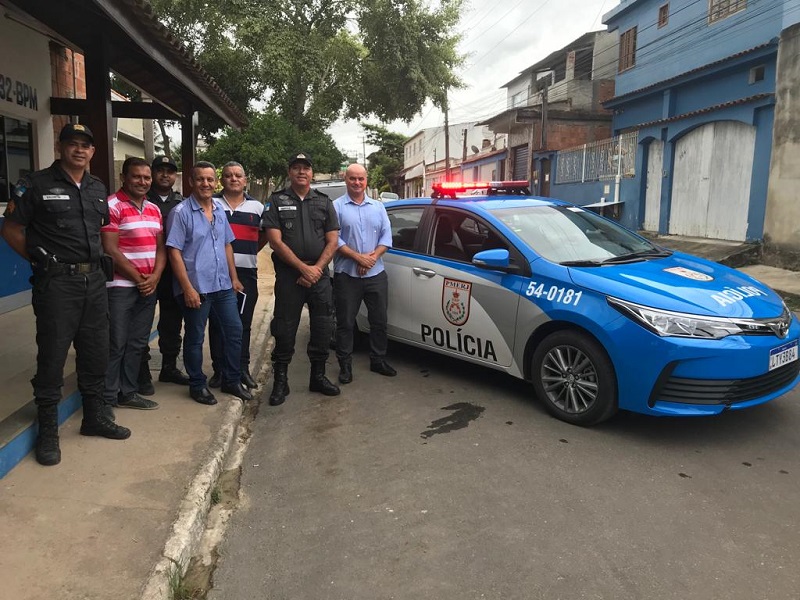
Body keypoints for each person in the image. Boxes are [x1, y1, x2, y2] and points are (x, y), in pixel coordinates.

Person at [0, 123, 131, 466]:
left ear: (92, 152)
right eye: (72, 144)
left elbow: (101, 232)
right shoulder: (36, 184)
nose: (79, 150)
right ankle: (48, 431)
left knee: (95, 352)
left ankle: (94, 417)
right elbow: (11, 229)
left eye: (85, 145)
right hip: (57, 284)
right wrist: (38, 260)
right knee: (53, 355)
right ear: (60, 147)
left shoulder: (97, 187)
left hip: (94, 283)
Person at [165, 161, 252, 405]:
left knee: (234, 331)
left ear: (216, 183)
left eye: (210, 179)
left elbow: (227, 244)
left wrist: (234, 278)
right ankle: (197, 384)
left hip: (223, 285)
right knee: (195, 337)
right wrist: (187, 288)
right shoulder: (181, 213)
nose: (206, 184)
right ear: (191, 182)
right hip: (196, 288)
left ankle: (232, 380)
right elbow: (174, 252)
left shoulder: (219, 211)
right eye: (201, 179)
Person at [262, 152, 340, 406]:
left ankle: (317, 376)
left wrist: (316, 269)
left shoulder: (324, 202)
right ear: (290, 173)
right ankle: (281, 382)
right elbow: (275, 240)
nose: (301, 172)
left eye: (306, 168)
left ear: (312, 174)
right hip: (289, 276)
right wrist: (301, 269)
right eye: (296, 168)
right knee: (284, 329)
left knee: (322, 327)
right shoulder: (276, 201)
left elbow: (332, 240)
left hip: (319, 275)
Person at [101, 157, 165, 417]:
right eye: (136, 176)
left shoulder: (154, 209)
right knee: (116, 342)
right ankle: (106, 399)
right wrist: (140, 280)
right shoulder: (111, 205)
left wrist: (155, 277)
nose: (142, 181)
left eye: (146, 177)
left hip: (149, 287)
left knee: (137, 343)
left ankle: (127, 393)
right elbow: (110, 249)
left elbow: (161, 248)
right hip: (120, 287)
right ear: (124, 177)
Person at [333, 163, 396, 383]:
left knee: (379, 321)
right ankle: (345, 365)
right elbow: (334, 239)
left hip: (375, 274)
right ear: (346, 179)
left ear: (366, 180)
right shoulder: (337, 207)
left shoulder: (378, 207)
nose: (357, 183)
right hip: (347, 275)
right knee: (346, 323)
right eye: (353, 179)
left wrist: (370, 259)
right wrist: (357, 257)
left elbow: (386, 237)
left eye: (361, 179)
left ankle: (378, 360)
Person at [208, 162, 267, 390]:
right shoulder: (212, 204)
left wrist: (248, 253)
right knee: (217, 323)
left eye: (238, 175)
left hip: (247, 273)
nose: (233, 179)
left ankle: (241, 368)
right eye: (229, 175)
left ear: (245, 180)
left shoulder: (257, 207)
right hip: (216, 273)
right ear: (222, 180)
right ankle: (220, 370)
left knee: (243, 324)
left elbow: (263, 237)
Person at [137, 155, 191, 393]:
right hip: (145, 272)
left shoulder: (182, 203)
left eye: (170, 171)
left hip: (172, 273)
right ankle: (142, 372)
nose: (165, 175)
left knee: (171, 321)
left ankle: (169, 367)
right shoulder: (141, 200)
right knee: (141, 322)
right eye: (160, 170)